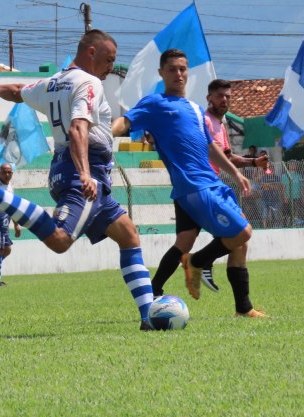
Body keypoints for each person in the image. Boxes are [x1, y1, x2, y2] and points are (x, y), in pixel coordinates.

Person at [0, 30, 155, 330]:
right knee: (61, 241)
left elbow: (20, 91)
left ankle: (148, 316)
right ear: (91, 52)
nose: (110, 67)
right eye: (108, 59)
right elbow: (78, 128)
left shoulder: (53, 82)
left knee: (128, 236)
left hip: (69, 170)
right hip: (84, 172)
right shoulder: (88, 83)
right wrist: (86, 172)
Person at [112, 49, 267, 318]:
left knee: (188, 240)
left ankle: (241, 308)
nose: (179, 74)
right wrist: (101, 135)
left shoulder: (196, 109)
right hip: (194, 186)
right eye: (172, 69)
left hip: (209, 183)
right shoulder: (155, 104)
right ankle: (197, 262)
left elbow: (210, 146)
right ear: (161, 73)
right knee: (242, 232)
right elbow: (125, 121)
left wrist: (235, 172)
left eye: (183, 69)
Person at [150, 78, 268, 298]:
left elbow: (227, 156)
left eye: (228, 96)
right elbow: (204, 149)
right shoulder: (203, 120)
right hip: (205, 189)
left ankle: (153, 290)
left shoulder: (219, 124)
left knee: (184, 242)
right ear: (209, 98)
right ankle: (200, 262)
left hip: (194, 189)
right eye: (219, 96)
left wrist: (252, 163)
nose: (224, 100)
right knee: (241, 235)